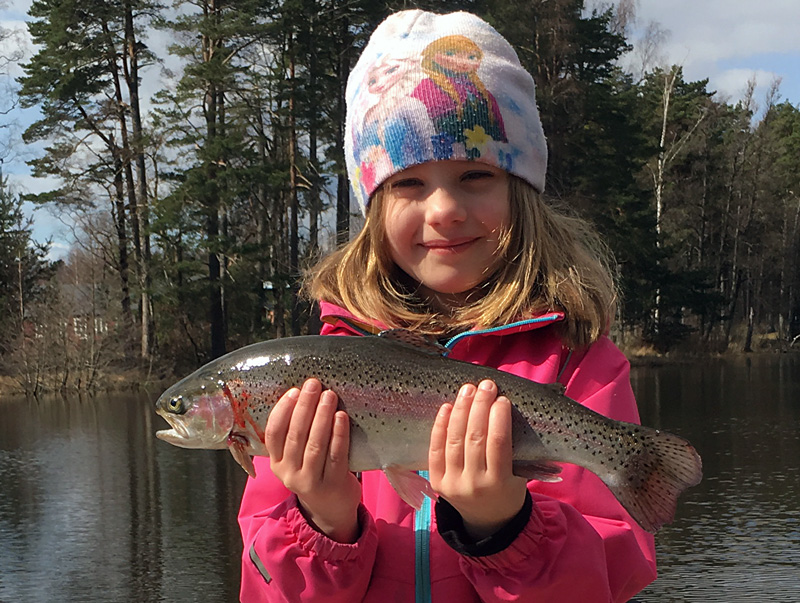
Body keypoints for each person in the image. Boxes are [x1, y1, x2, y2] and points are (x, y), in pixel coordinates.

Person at [238, 9, 657, 602]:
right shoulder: (307, 375)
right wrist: (323, 521)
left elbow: (612, 576)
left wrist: (504, 526)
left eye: (475, 174)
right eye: (408, 183)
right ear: (374, 208)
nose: (443, 210)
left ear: (523, 191)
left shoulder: (577, 359)